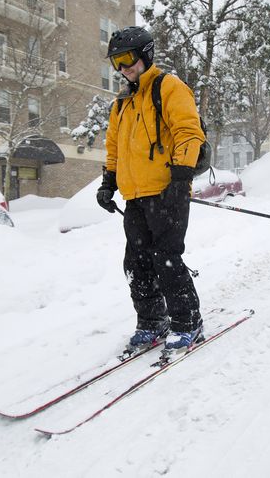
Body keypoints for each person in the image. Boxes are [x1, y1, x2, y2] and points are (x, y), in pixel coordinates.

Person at [95, 26, 206, 353]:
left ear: (145, 54)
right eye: (117, 62)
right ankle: (152, 320)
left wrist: (181, 177)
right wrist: (108, 182)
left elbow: (188, 132)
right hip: (135, 198)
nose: (124, 68)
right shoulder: (121, 103)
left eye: (128, 59)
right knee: (136, 262)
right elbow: (114, 146)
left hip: (167, 192)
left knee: (166, 259)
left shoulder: (168, 87)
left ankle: (188, 322)